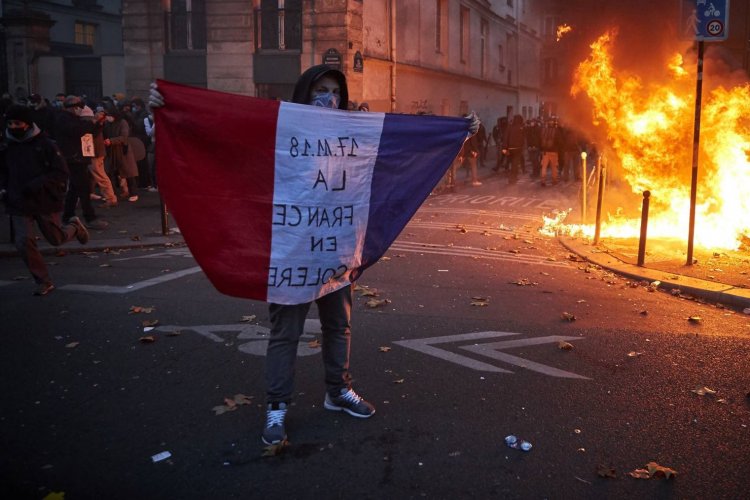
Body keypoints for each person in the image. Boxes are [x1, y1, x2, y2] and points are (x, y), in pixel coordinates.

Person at [149, 66, 481, 446]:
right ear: (305, 92)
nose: (329, 98)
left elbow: (404, 142)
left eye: (335, 91)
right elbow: (222, 130)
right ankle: (277, 407)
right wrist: (167, 107)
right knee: (285, 333)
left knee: (338, 326)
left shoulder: (355, 129)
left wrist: (458, 130)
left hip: (335, 249)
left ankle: (338, 391)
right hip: (291, 254)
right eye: (321, 90)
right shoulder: (281, 126)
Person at [0, 105, 90, 296]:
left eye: (18, 123)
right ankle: (43, 280)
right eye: (10, 123)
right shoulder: (7, 146)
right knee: (23, 241)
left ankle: (73, 226)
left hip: (43, 199)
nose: (14, 127)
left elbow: (60, 171)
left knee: (55, 238)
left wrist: (37, 184)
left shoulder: (45, 144)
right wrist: (4, 188)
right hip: (17, 200)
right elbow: (4, 171)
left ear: (27, 124)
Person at [55, 96, 108, 229]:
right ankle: (89, 217)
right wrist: (93, 122)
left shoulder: (72, 119)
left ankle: (68, 215)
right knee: (83, 188)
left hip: (78, 157)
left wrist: (98, 124)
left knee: (75, 189)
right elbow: (78, 131)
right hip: (73, 157)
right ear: (74, 107)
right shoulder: (63, 119)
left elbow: (88, 133)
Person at [102, 104, 139, 202]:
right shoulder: (107, 123)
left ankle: (133, 193)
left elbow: (124, 137)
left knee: (128, 173)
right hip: (111, 150)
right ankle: (112, 193)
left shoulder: (123, 122)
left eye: (109, 115)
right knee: (110, 172)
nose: (108, 117)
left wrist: (111, 141)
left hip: (123, 149)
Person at [502, 114, 525, 184]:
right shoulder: (521, 128)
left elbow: (506, 137)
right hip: (518, 149)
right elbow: (522, 139)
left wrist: (504, 147)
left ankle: (511, 178)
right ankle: (513, 179)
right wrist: (522, 146)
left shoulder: (509, 127)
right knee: (515, 165)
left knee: (511, 163)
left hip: (510, 148)